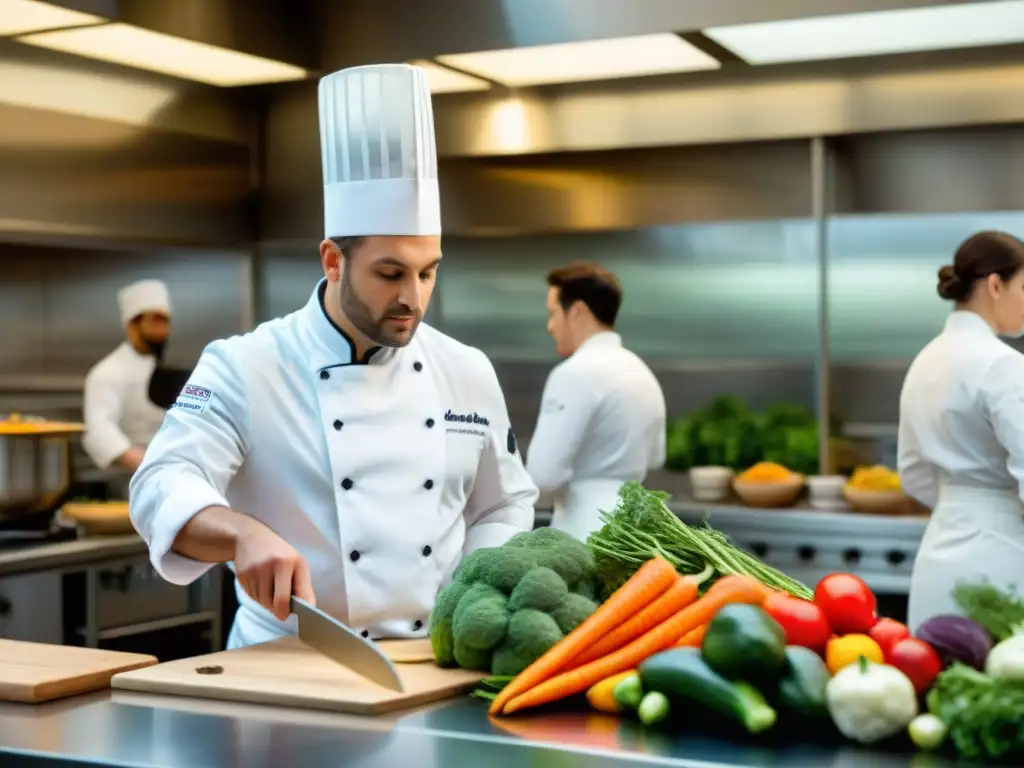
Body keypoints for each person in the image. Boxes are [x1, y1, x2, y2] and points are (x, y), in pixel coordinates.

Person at [129, 63, 538, 649]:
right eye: (389, 273)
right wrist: (240, 534)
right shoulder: (247, 366)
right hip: (284, 665)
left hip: (431, 665)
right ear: (332, 260)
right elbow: (159, 484)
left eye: (427, 273)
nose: (412, 298)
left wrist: (472, 591)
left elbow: (505, 503)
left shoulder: (465, 369)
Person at [899, 230, 1024, 631]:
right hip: (1001, 557)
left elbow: (913, 472)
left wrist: (960, 501)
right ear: (995, 285)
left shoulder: (924, 360)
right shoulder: (1003, 364)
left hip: (937, 556)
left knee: (936, 684)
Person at [525, 262, 666, 541]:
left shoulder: (572, 374)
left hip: (583, 531)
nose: (550, 326)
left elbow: (543, 474)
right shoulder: (641, 371)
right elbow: (656, 457)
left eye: (553, 313)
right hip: (639, 531)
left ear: (576, 311)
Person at [82, 279, 184, 474]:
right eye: (155, 320)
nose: (163, 330)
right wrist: (147, 464)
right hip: (130, 481)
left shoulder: (172, 368)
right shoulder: (107, 372)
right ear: (132, 325)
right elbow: (99, 430)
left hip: (175, 474)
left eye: (166, 321)